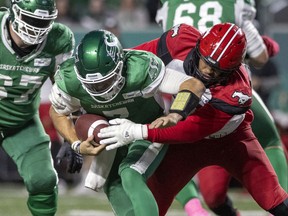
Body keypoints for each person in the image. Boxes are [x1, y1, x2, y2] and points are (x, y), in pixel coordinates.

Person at [99, 23, 288, 216]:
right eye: (205, 62)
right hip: (184, 148)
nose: (207, 71)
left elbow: (190, 129)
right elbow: (137, 59)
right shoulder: (179, 42)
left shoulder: (237, 91)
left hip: (232, 142)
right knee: (149, 207)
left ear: (232, 70)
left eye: (217, 72)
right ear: (198, 46)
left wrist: (138, 131)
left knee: (274, 200)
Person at [48, 29, 205, 215]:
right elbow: (57, 111)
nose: (100, 89)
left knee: (130, 173)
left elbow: (193, 84)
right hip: (111, 140)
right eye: (92, 85)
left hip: (145, 129)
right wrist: (75, 143)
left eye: (105, 81)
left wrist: (175, 114)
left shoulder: (140, 67)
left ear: (120, 65)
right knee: (113, 187)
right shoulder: (69, 79)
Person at [154, 0, 288, 215]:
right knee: (269, 138)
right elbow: (260, 57)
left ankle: (195, 207)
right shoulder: (233, 4)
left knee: (170, 160)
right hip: (224, 92)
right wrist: (269, 46)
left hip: (180, 91)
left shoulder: (171, 6)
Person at [0, 0, 75, 215]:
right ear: (15, 12)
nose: (37, 28)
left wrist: (72, 136)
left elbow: (67, 92)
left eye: (44, 22)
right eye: (32, 20)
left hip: (21, 122)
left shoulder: (58, 39)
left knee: (43, 179)